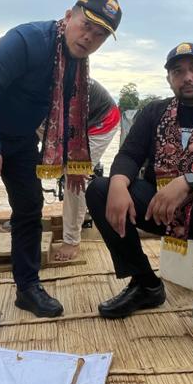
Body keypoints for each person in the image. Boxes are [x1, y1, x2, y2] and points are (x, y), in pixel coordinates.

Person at [0, 0, 122, 332]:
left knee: (29, 210)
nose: (89, 37)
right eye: (86, 25)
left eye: (100, 34)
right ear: (68, 16)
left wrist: (75, 164)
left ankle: (27, 287)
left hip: (21, 138)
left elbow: (70, 115)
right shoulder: (26, 40)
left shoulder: (75, 63)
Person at [86, 42, 193, 368]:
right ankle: (145, 284)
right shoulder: (155, 112)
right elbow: (128, 155)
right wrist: (120, 182)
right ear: (169, 79)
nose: (187, 77)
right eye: (178, 71)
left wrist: (187, 182)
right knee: (100, 189)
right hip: (160, 208)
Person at [54, 78, 121, 262]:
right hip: (64, 122)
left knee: (75, 174)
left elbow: (72, 126)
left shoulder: (66, 81)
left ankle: (72, 239)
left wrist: (77, 164)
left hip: (100, 120)